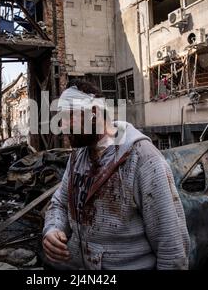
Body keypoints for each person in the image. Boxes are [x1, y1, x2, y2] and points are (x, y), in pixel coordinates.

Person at [42, 80, 190, 270]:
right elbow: (59, 203)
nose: (62, 126)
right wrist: (53, 228)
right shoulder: (78, 156)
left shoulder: (143, 160)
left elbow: (172, 249)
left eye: (68, 117)